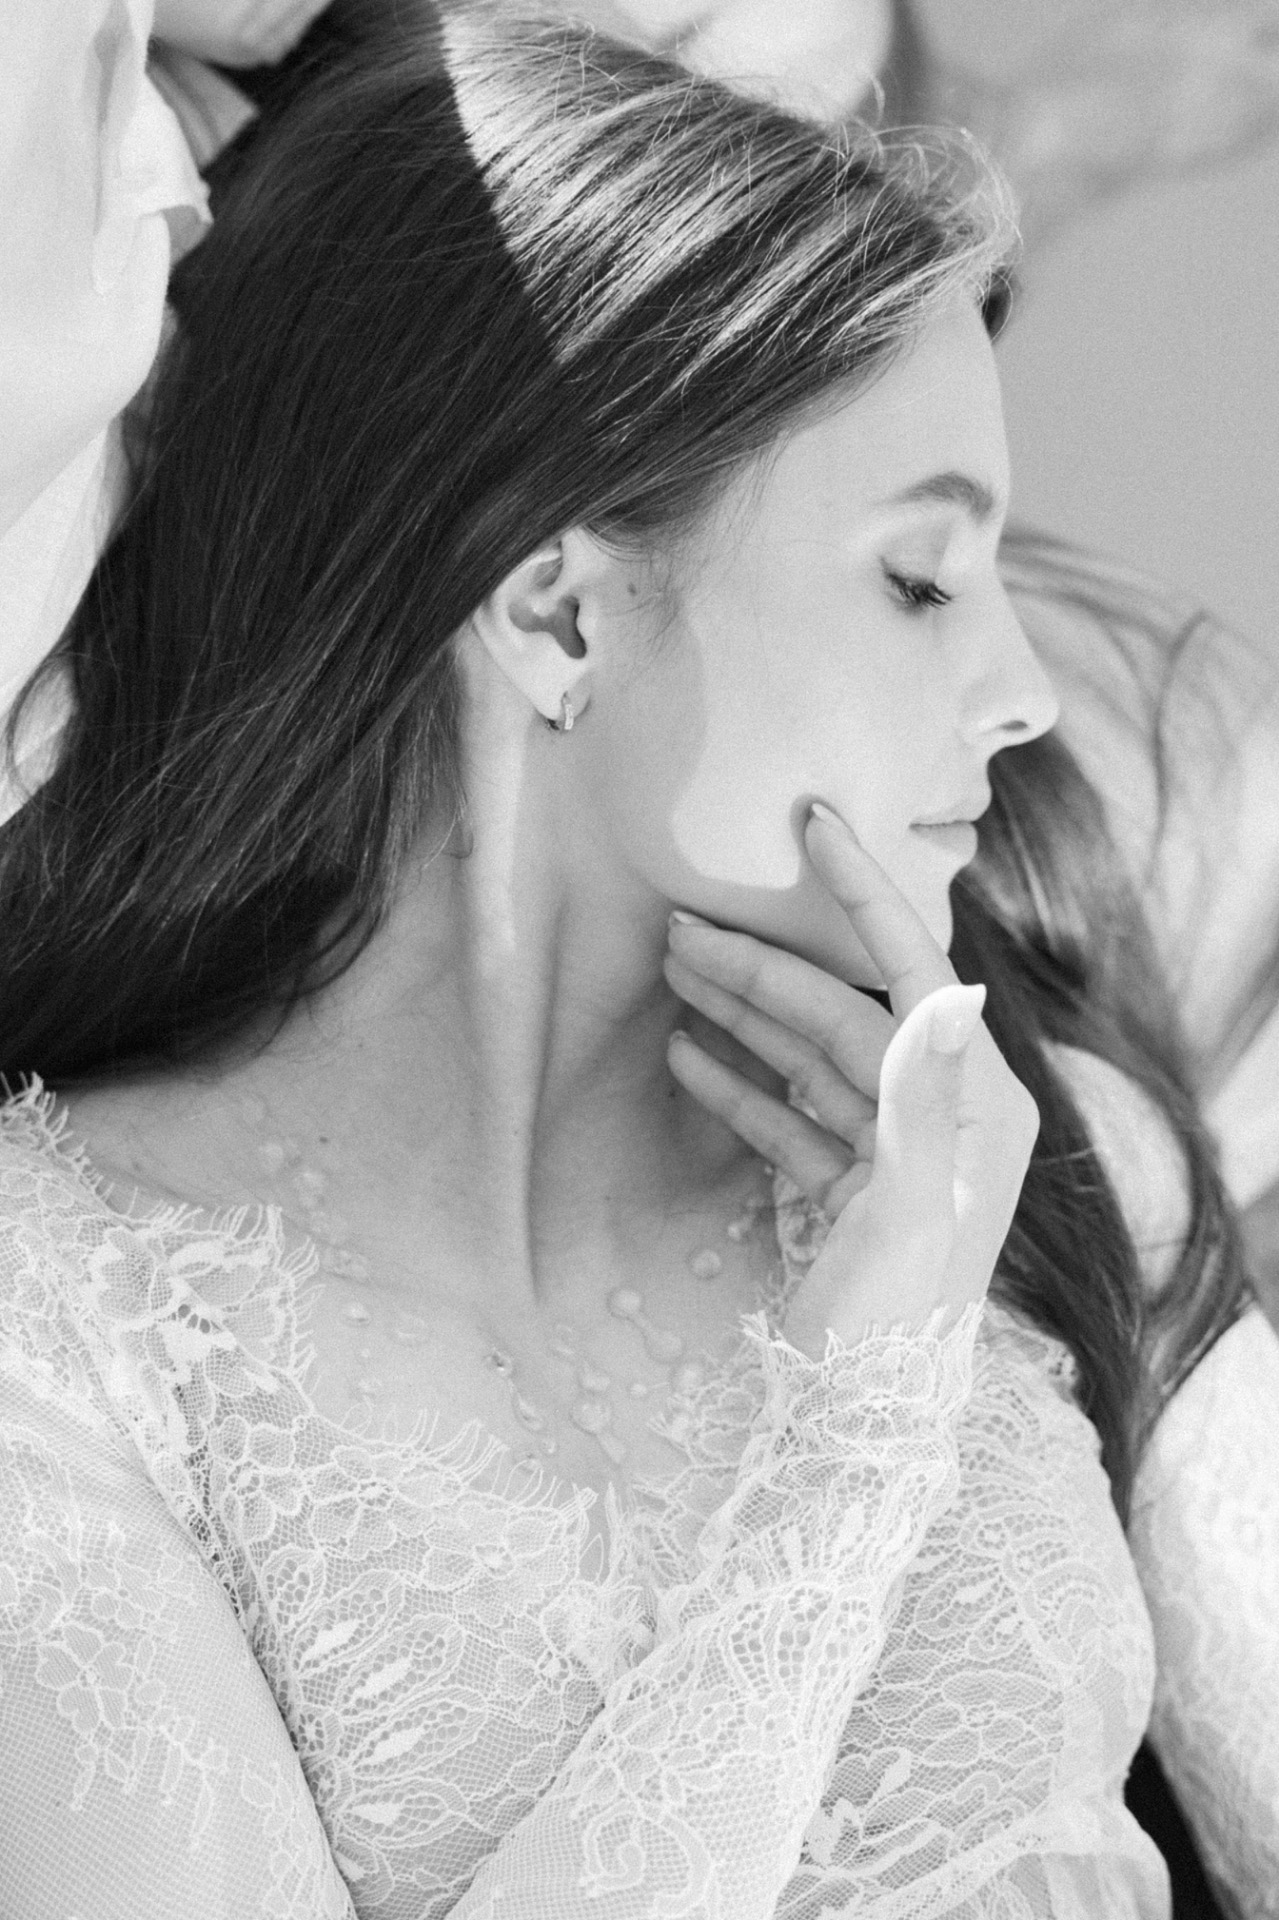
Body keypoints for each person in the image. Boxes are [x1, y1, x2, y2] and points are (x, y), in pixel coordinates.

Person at [1, 13, 1276, 1918]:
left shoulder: (1031, 1150)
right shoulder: (59, 1319)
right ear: (561, 616)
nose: (1021, 695)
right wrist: (863, 1411)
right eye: (923, 579)